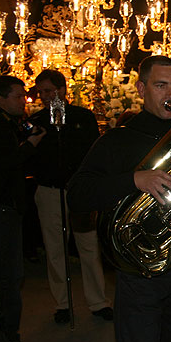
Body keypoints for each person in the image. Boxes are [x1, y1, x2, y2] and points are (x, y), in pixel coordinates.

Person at [67, 56, 171, 342]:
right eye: (161, 86)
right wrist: (134, 179)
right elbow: (77, 194)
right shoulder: (118, 139)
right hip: (140, 272)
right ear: (142, 88)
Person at [30, 69, 112, 324]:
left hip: (78, 191)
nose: (44, 96)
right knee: (55, 248)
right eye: (41, 92)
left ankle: (98, 301)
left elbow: (93, 152)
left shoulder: (82, 116)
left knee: (88, 246)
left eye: (48, 91)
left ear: (62, 90)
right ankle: (63, 303)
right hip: (49, 190)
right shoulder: (37, 120)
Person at [0, 75, 45, 342]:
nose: (23, 101)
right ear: (0, 99)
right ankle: (9, 341)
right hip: (3, 210)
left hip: (8, 209)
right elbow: (7, 162)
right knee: (9, 277)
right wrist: (32, 144)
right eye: (17, 96)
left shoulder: (12, 123)